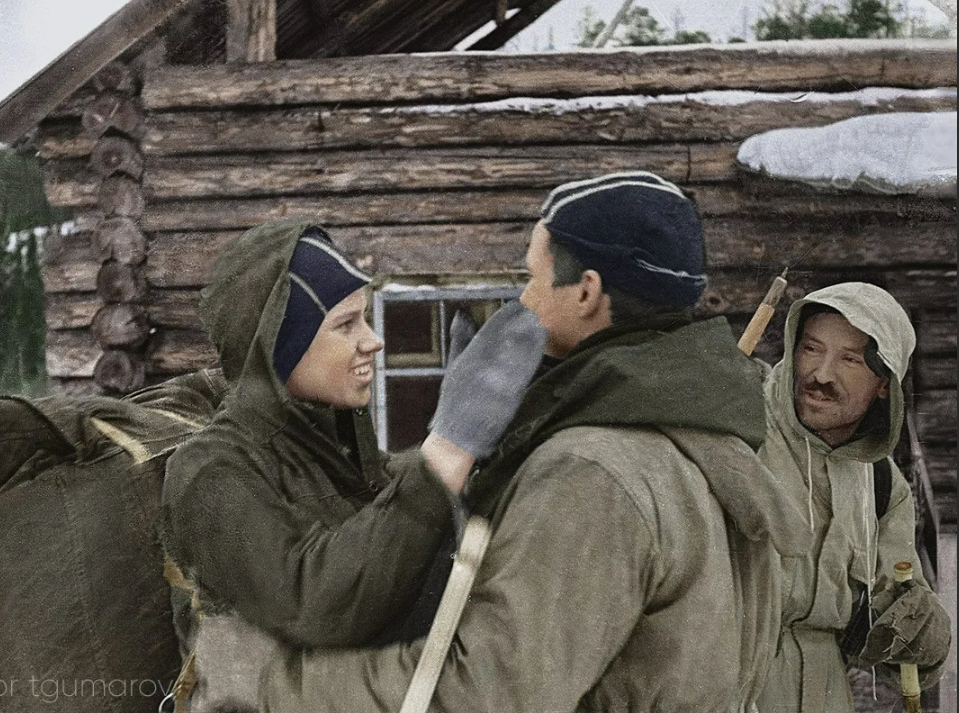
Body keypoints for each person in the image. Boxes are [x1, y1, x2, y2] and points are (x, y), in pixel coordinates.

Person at [257, 172, 811, 713]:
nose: (522, 299)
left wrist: (274, 685)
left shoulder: (592, 474)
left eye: (534, 278)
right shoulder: (709, 432)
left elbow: (487, 693)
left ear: (587, 292)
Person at [160, 219, 546, 710]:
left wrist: (472, 462)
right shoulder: (211, 474)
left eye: (365, 319)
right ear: (280, 344)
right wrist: (445, 452)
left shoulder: (342, 456)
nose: (373, 341)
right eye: (346, 324)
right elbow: (312, 603)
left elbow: (396, 544)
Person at [755, 282, 952, 712]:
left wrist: (926, 636)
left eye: (848, 359)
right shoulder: (741, 435)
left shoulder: (883, 486)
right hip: (730, 691)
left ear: (884, 384)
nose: (821, 375)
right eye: (810, 349)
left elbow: (894, 640)